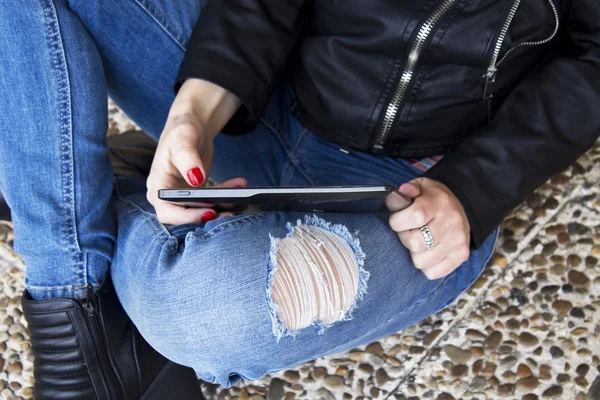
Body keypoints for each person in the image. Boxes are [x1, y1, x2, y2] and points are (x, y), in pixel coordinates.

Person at [1, 0, 598, 398]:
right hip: (259, 97)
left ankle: (60, 183)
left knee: (206, 313)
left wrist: (477, 189)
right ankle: (71, 302)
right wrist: (193, 115)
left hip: (418, 193)